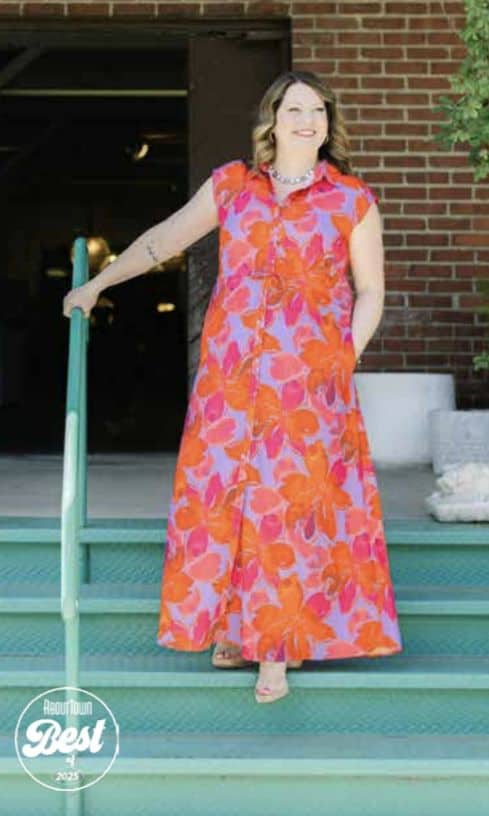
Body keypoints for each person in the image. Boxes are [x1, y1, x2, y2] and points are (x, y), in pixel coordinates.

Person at [63, 70, 403, 705]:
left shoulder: (351, 199)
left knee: (285, 508)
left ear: (328, 124)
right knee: (226, 504)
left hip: (308, 386)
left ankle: (275, 651)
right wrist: (98, 286)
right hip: (231, 380)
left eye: (318, 111)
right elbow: (163, 240)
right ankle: (233, 627)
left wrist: (342, 359)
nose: (308, 120)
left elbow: (372, 291)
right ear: (272, 120)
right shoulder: (233, 186)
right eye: (295, 108)